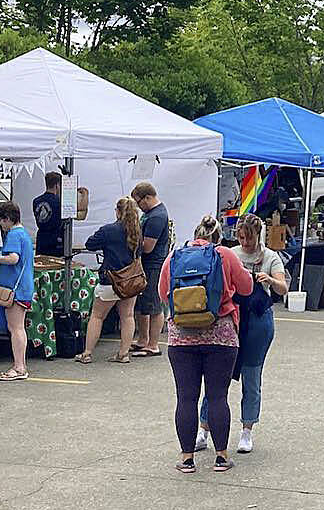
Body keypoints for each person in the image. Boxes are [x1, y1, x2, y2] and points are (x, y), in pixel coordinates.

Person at [160, 215, 254, 473]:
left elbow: (162, 292)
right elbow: (246, 288)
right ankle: (221, 457)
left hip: (181, 337)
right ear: (218, 236)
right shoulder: (225, 254)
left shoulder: (175, 256)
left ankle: (187, 458)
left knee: (186, 398)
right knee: (217, 397)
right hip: (220, 335)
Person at [196, 213, 288, 455]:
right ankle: (203, 429)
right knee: (218, 377)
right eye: (240, 237)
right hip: (232, 318)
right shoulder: (231, 253)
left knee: (252, 375)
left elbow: (283, 287)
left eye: (249, 238)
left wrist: (269, 279)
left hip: (258, 322)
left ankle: (247, 430)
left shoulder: (270, 257)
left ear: (259, 235)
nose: (244, 242)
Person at [77, 196, 143, 363]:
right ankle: (123, 353)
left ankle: (87, 353)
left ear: (118, 212)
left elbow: (90, 244)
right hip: (131, 280)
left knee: (97, 316)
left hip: (110, 280)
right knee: (127, 316)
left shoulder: (108, 230)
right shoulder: (137, 231)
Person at [0, 202, 36, 383]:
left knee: (15, 328)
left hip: (14, 289)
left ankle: (19, 366)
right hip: (23, 286)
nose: (1, 225)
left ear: (7, 219)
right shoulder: (24, 234)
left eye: (1, 221)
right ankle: (20, 365)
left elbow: (13, 258)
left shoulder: (14, 235)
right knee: (18, 327)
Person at [132, 182, 171, 356]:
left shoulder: (157, 216)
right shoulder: (150, 214)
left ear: (148, 197)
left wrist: (130, 242)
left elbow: (148, 246)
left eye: (139, 202)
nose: (139, 207)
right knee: (143, 304)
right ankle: (142, 340)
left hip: (154, 265)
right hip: (147, 265)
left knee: (154, 304)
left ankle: (153, 344)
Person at [32, 172, 64, 257]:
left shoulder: (36, 201)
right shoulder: (59, 202)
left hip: (41, 239)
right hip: (56, 241)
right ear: (57, 185)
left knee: (41, 266)